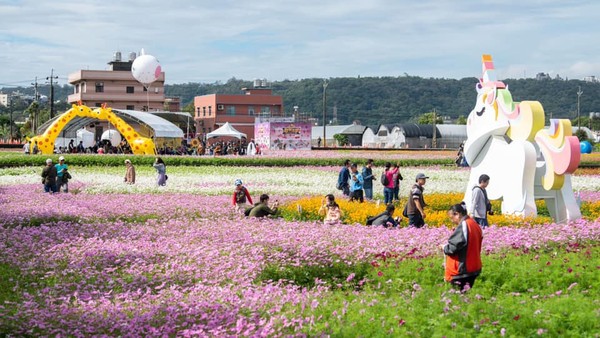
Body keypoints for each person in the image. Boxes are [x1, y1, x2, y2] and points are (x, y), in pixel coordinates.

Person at [441, 203, 483, 291]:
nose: (452, 221)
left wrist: (445, 248)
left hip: (463, 269)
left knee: (458, 299)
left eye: (451, 217)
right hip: (474, 267)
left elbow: (454, 247)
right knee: (465, 296)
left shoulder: (464, 225)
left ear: (457, 214)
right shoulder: (474, 223)